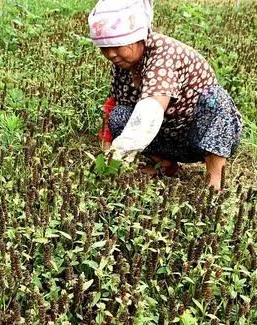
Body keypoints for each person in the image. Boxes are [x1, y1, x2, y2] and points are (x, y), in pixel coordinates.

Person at [89, 0, 243, 190]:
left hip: (199, 135)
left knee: (216, 100)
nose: (111, 54)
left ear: (138, 37)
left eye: (117, 46)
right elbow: (113, 104)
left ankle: (214, 181)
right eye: (104, 48)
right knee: (119, 116)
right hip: (169, 137)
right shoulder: (124, 64)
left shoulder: (164, 54)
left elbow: (151, 110)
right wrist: (106, 151)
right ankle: (165, 165)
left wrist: (120, 152)